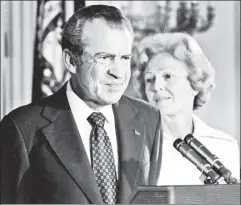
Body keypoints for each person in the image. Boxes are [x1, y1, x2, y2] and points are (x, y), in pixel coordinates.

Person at [0, 5, 163, 204]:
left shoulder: (149, 119)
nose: (119, 72)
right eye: (105, 58)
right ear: (71, 61)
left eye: (125, 58)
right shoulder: (22, 127)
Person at [132, 32, 240, 185]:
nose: (156, 86)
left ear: (195, 83)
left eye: (167, 76)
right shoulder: (134, 146)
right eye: (149, 79)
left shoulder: (225, 146)